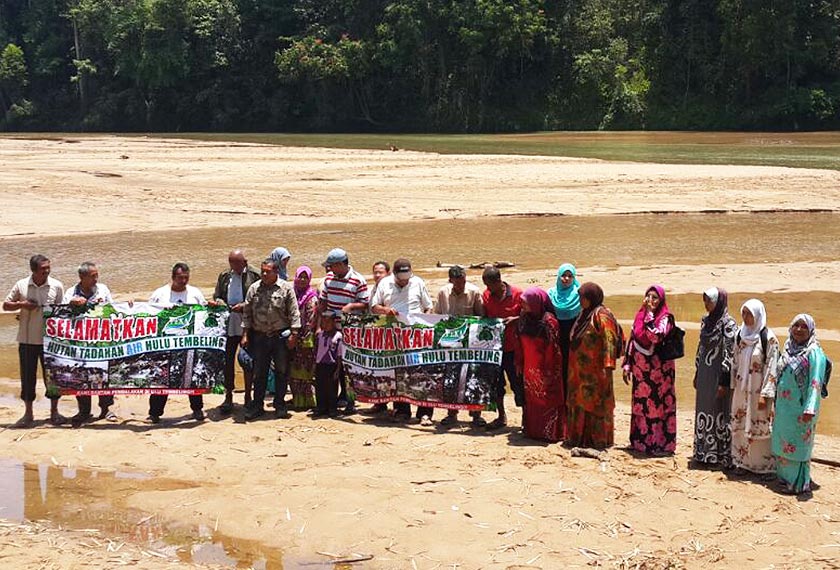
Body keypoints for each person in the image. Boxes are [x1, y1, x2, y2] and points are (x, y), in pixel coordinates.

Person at [766, 314, 828, 494]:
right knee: (782, 442)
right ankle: (784, 480)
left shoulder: (814, 353)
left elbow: (815, 383)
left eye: (804, 327)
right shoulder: (787, 348)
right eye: (796, 325)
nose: (799, 330)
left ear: (811, 331)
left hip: (801, 410)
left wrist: (810, 408)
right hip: (783, 408)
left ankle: (798, 483)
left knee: (798, 445)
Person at [3, 254, 65, 427]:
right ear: (33, 270)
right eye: (43, 268)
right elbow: (6, 305)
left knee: (52, 379)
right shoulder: (21, 285)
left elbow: (61, 312)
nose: (47, 271)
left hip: (50, 342)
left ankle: (54, 412)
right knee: (27, 378)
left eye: (48, 267)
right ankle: (28, 413)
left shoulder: (57, 286)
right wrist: (22, 305)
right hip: (27, 340)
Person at [371, 258, 434, 424]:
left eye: (407, 277)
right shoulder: (384, 284)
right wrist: (386, 310)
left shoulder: (418, 282)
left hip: (416, 336)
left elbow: (428, 306)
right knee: (399, 373)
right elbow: (374, 307)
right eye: (401, 278)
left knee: (421, 372)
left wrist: (425, 320)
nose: (405, 281)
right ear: (395, 274)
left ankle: (424, 413)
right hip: (394, 336)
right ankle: (402, 410)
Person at [241, 258, 301, 420]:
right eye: (263, 271)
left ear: (276, 272)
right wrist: (245, 334)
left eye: (268, 271)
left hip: (280, 337)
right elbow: (247, 313)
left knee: (282, 371)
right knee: (259, 373)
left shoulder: (286, 288)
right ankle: (257, 405)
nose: (264, 274)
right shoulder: (254, 289)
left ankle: (280, 405)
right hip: (259, 337)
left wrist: (294, 334)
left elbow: (294, 312)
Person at [147, 262, 207, 423]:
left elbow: (204, 313)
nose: (183, 281)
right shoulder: (160, 294)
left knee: (192, 377)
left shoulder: (195, 293)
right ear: (173, 277)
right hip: (164, 344)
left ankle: (197, 409)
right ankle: (154, 413)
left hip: (189, 344)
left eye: (186, 278)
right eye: (180, 278)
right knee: (161, 379)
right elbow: (147, 314)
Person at [566, 282, 623, 449]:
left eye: (582, 298)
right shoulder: (583, 314)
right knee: (579, 403)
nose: (580, 301)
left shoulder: (602, 314)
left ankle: (598, 440)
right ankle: (579, 438)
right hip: (578, 372)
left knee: (596, 405)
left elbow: (609, 338)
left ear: (591, 298)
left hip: (596, 372)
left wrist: (608, 364)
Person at [623, 284, 677, 456]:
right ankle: (640, 442)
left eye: (655, 298)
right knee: (641, 406)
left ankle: (658, 444)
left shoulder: (665, 318)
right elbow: (632, 340)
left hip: (659, 374)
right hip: (641, 373)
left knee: (656, 407)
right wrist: (627, 364)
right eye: (649, 297)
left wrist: (650, 316)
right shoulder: (640, 315)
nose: (651, 301)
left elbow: (655, 336)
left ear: (661, 301)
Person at [63, 261, 117, 427]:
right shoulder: (70, 292)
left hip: (101, 340)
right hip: (80, 342)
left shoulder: (103, 289)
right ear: (82, 277)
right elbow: (62, 314)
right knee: (82, 374)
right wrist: (71, 305)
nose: (96, 279)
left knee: (104, 373)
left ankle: (106, 408)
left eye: (96, 275)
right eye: (92, 276)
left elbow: (113, 308)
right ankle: (84, 410)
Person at [729, 298, 778, 475]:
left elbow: (772, 368)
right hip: (741, 391)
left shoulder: (768, 339)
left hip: (759, 391)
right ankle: (742, 463)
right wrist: (732, 385)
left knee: (760, 425)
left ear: (758, 315)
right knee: (740, 424)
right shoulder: (739, 335)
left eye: (750, 313)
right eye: (744, 313)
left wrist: (766, 394)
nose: (746, 317)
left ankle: (764, 468)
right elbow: (734, 361)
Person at [435, 265, 486, 428]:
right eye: (457, 283)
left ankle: (476, 415)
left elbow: (482, 316)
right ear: (451, 281)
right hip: (450, 344)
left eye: (463, 281)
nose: (461, 285)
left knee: (474, 377)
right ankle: (451, 413)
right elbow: (437, 317)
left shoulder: (474, 291)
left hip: (470, 344)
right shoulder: (443, 293)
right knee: (450, 378)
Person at [320, 248, 370, 413]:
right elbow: (323, 301)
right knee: (334, 366)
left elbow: (365, 304)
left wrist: (351, 306)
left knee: (349, 367)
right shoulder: (328, 279)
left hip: (350, 330)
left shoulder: (358, 280)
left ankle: (350, 400)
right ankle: (335, 400)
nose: (330, 269)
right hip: (331, 330)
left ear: (341, 264)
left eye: (332, 266)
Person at [693, 287, 737, 467]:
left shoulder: (729, 324)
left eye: (709, 301)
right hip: (705, 373)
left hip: (719, 375)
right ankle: (703, 452)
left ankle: (720, 454)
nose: (707, 304)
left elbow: (729, 352)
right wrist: (697, 371)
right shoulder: (706, 321)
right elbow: (700, 348)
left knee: (719, 412)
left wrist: (724, 381)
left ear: (719, 302)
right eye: (705, 301)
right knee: (703, 410)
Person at [212, 249, 260, 415]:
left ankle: (248, 395)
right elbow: (217, 295)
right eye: (232, 264)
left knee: (247, 359)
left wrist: (244, 306)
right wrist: (219, 303)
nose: (235, 267)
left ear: (244, 262)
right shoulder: (225, 275)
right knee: (227, 360)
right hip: (229, 321)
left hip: (249, 322)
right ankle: (228, 396)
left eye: (238, 263)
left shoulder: (255, 274)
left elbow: (260, 299)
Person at [518, 287, 565, 442]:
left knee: (547, 400)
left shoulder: (549, 321)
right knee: (532, 400)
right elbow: (519, 342)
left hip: (546, 368)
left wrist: (549, 370)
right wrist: (519, 361)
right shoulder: (524, 318)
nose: (522, 306)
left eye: (525, 303)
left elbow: (554, 348)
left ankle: (549, 432)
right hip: (529, 367)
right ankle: (533, 430)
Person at [481, 266, 523, 431]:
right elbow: (484, 317)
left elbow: (529, 315)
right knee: (496, 384)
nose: (487, 289)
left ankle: (525, 419)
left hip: (514, 348)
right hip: (495, 349)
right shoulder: (486, 296)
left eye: (489, 285)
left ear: (499, 281)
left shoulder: (518, 294)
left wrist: (515, 319)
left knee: (518, 384)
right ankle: (501, 416)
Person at [547, 263, 581, 392]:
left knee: (572, 367)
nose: (566, 279)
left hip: (574, 336)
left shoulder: (579, 293)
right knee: (557, 366)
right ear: (558, 276)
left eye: (570, 276)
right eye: (563, 276)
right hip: (556, 335)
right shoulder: (551, 294)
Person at [289, 266, 318, 409]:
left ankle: (308, 401)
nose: (302, 280)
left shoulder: (311, 297)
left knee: (306, 371)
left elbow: (311, 321)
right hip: (292, 337)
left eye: (305, 277)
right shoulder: (291, 293)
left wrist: (305, 340)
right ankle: (296, 399)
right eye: (300, 276)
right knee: (293, 371)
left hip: (306, 340)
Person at [313, 310, 343, 418]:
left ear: (334, 323)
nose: (325, 325)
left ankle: (332, 408)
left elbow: (339, 355)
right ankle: (321, 407)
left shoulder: (338, 336)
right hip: (320, 364)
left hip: (332, 365)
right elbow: (316, 351)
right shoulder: (320, 335)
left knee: (332, 388)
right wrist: (314, 365)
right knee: (320, 387)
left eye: (327, 323)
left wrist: (338, 370)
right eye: (323, 323)